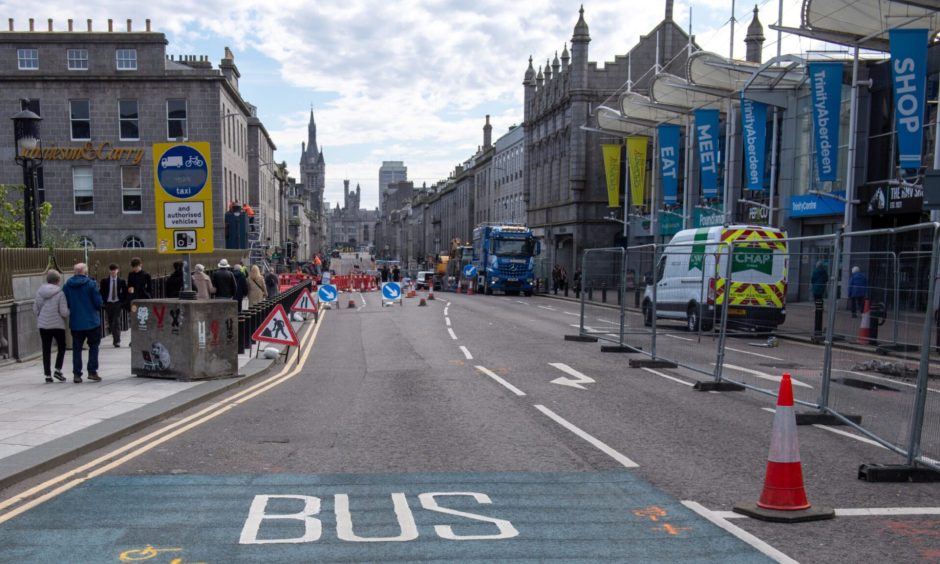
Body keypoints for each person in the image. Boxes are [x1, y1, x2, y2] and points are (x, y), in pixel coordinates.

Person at [62, 263, 103, 383]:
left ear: (75, 272)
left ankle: (77, 374)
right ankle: (92, 371)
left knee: (77, 348)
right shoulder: (91, 284)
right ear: (85, 272)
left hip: (76, 322)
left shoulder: (67, 286)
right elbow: (98, 302)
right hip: (92, 321)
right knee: (94, 346)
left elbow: (65, 302)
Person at [33, 270, 69, 383]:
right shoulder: (60, 293)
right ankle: (58, 369)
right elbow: (63, 312)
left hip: (43, 325)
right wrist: (70, 311)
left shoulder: (40, 292)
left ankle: (47, 375)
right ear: (58, 281)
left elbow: (35, 309)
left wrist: (41, 315)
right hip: (57, 325)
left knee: (46, 348)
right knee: (62, 347)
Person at [99, 263, 128, 347]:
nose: (113, 272)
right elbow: (101, 292)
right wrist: (103, 303)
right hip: (108, 303)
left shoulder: (121, 281)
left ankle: (117, 341)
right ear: (109, 271)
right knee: (111, 322)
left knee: (117, 321)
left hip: (117, 303)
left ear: (117, 271)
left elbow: (125, 292)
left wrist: (123, 302)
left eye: (114, 270)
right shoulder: (104, 281)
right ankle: (115, 338)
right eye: (111, 271)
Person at [811, 260, 829, 337]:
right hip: (822, 287)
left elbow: (812, 279)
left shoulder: (815, 271)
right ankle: (821, 307)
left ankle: (817, 308)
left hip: (816, 287)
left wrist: (814, 283)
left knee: (816, 298)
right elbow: (826, 279)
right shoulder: (824, 271)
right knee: (820, 298)